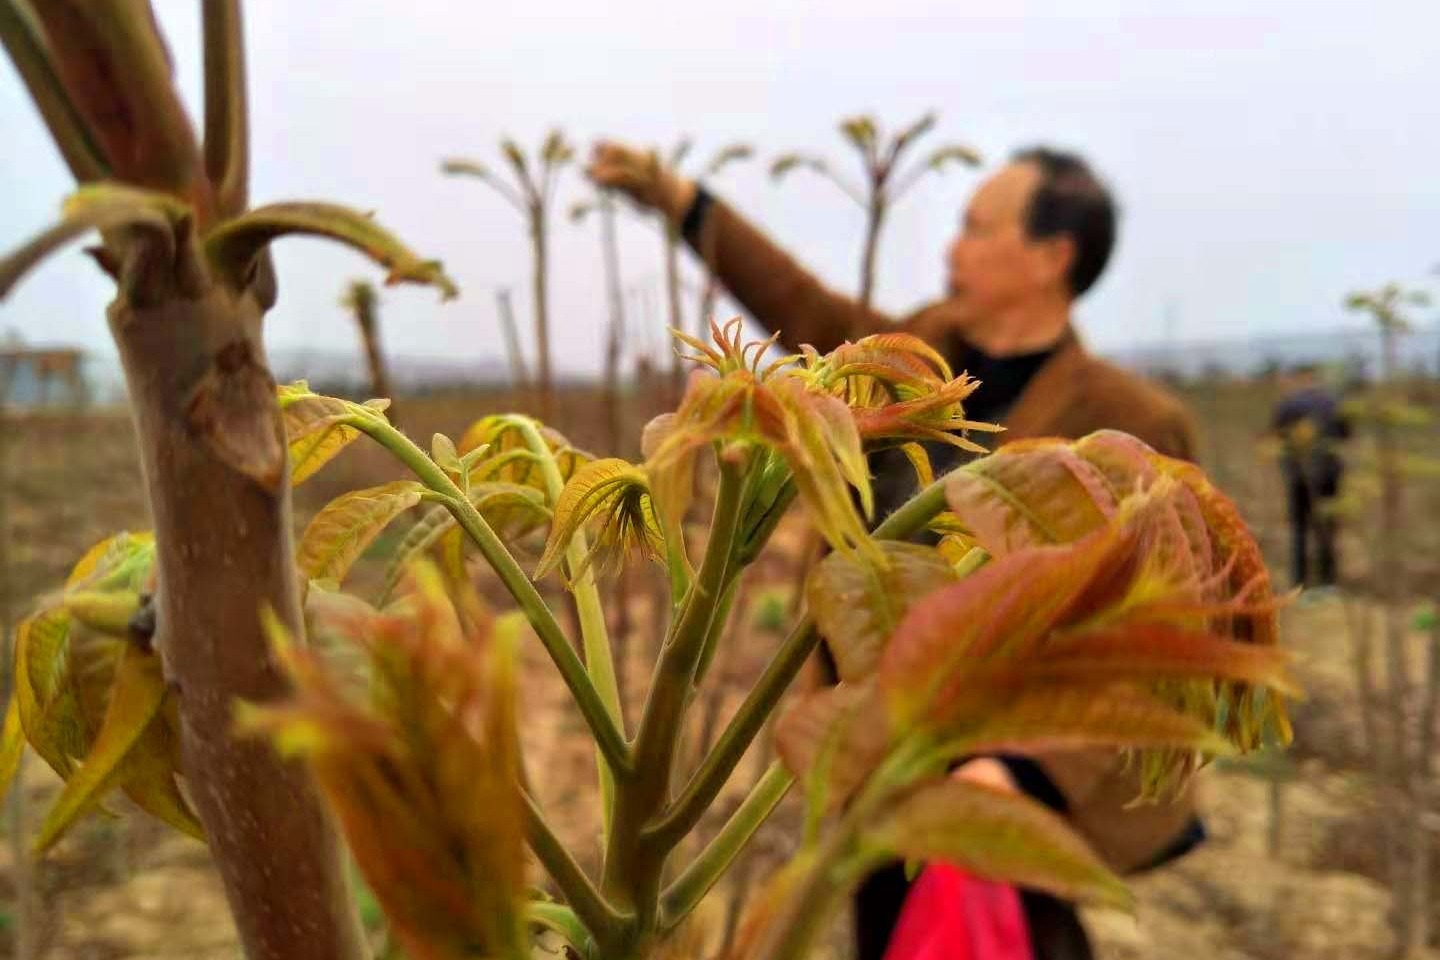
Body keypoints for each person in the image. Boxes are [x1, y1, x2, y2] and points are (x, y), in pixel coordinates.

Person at [589, 142, 1202, 960]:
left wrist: (1026, 774)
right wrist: (683, 200)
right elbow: (796, 304)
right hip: (872, 747)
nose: (951, 248)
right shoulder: (918, 350)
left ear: (1053, 257)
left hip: (990, 784)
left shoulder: (1131, 425)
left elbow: (1153, 636)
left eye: (977, 228)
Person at [1270, 363, 1351, 590]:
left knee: (1299, 530)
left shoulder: (1287, 405)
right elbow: (1346, 434)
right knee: (1328, 526)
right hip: (1330, 474)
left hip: (1298, 476)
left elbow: (1277, 438)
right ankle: (1328, 582)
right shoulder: (1334, 402)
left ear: (1299, 378)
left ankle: (1300, 583)